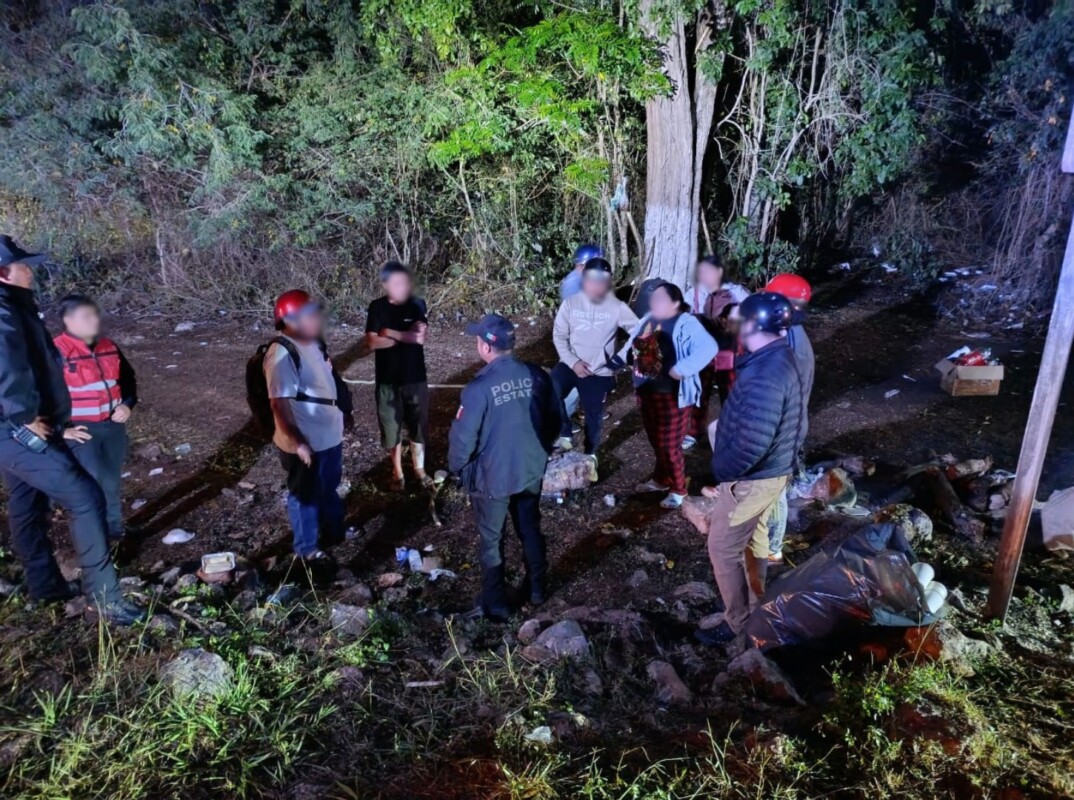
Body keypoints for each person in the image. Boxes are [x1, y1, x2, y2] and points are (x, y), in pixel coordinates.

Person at [0, 236, 142, 624]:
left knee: (27, 504)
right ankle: (104, 598)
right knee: (85, 496)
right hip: (18, 431)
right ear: (3, 273)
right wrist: (23, 416)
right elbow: (8, 365)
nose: (30, 271)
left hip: (16, 430)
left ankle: (45, 585)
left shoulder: (15, 305)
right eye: (23, 266)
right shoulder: (4, 309)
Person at [698, 292, 804, 646]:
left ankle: (741, 626)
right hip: (771, 474)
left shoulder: (765, 375)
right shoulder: (777, 357)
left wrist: (723, 472)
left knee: (722, 548)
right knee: (754, 540)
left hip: (753, 479)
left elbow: (752, 443)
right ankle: (758, 607)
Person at [448, 314, 560, 621]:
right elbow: (555, 419)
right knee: (529, 527)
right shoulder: (537, 375)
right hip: (530, 468)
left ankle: (496, 604)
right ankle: (537, 589)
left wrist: (457, 468)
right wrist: (540, 451)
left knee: (492, 539)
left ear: (485, 347)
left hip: (493, 477)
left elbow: (463, 439)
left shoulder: (478, 388)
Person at [265, 290, 346, 561]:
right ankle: (307, 549)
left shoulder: (313, 343)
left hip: (328, 434)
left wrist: (344, 412)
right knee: (304, 495)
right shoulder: (281, 352)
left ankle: (334, 531)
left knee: (328, 486)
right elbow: (279, 403)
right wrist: (297, 442)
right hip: (306, 439)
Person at [620, 283, 716, 509]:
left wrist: (682, 369)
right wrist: (619, 359)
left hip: (672, 395)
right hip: (646, 391)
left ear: (675, 303)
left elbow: (709, 347)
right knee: (656, 440)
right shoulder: (649, 318)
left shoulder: (687, 323)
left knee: (670, 445)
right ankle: (661, 479)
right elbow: (631, 342)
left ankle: (679, 489)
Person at [53, 294, 138, 542]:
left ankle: (114, 530)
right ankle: (93, 537)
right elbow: (40, 393)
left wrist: (127, 405)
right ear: (68, 320)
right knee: (89, 484)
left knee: (111, 480)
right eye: (86, 316)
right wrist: (61, 429)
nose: (94, 320)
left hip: (112, 427)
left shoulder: (108, 346)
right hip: (81, 431)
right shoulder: (55, 351)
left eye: (95, 314)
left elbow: (128, 380)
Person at [551, 257, 638, 456]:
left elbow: (640, 331)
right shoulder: (571, 303)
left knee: (594, 414)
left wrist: (621, 357)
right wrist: (573, 362)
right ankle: (565, 435)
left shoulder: (617, 307)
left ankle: (591, 454)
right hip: (570, 364)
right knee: (550, 390)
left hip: (598, 370)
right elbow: (559, 336)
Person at [763, 273, 816, 564]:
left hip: (781, 427)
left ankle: (772, 548)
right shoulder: (786, 336)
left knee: (772, 488)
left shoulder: (793, 348)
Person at [365, 262, 430, 490]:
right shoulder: (377, 307)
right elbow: (372, 342)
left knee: (418, 425)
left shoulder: (416, 304)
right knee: (391, 428)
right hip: (387, 380)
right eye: (396, 282)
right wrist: (405, 336)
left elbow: (419, 338)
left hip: (415, 378)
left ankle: (419, 469)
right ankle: (397, 472)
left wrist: (389, 333)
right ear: (385, 284)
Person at [685, 254, 749, 449]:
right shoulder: (694, 293)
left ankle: (734, 430)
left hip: (728, 350)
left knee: (729, 391)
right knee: (699, 392)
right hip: (702, 352)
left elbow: (751, 318)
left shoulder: (737, 292)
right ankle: (693, 432)